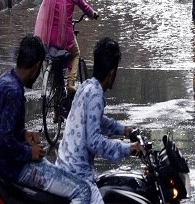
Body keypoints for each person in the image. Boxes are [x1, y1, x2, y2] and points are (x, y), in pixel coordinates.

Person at [0, 35, 91, 203]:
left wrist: (24, 134)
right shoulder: (14, 91)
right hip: (16, 168)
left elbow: (4, 127)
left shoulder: (6, 80)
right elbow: (4, 140)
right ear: (36, 67)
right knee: (83, 190)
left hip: (7, 164)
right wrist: (30, 152)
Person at [57, 38, 144, 201]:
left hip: (65, 166)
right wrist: (128, 148)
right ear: (112, 73)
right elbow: (94, 142)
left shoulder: (86, 86)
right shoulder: (96, 95)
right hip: (77, 176)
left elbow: (95, 120)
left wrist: (123, 130)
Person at [34, 0, 99, 94]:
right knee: (76, 54)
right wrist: (93, 14)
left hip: (50, 38)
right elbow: (86, 8)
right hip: (66, 39)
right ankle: (70, 82)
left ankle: (57, 112)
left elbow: (44, 9)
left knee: (56, 69)